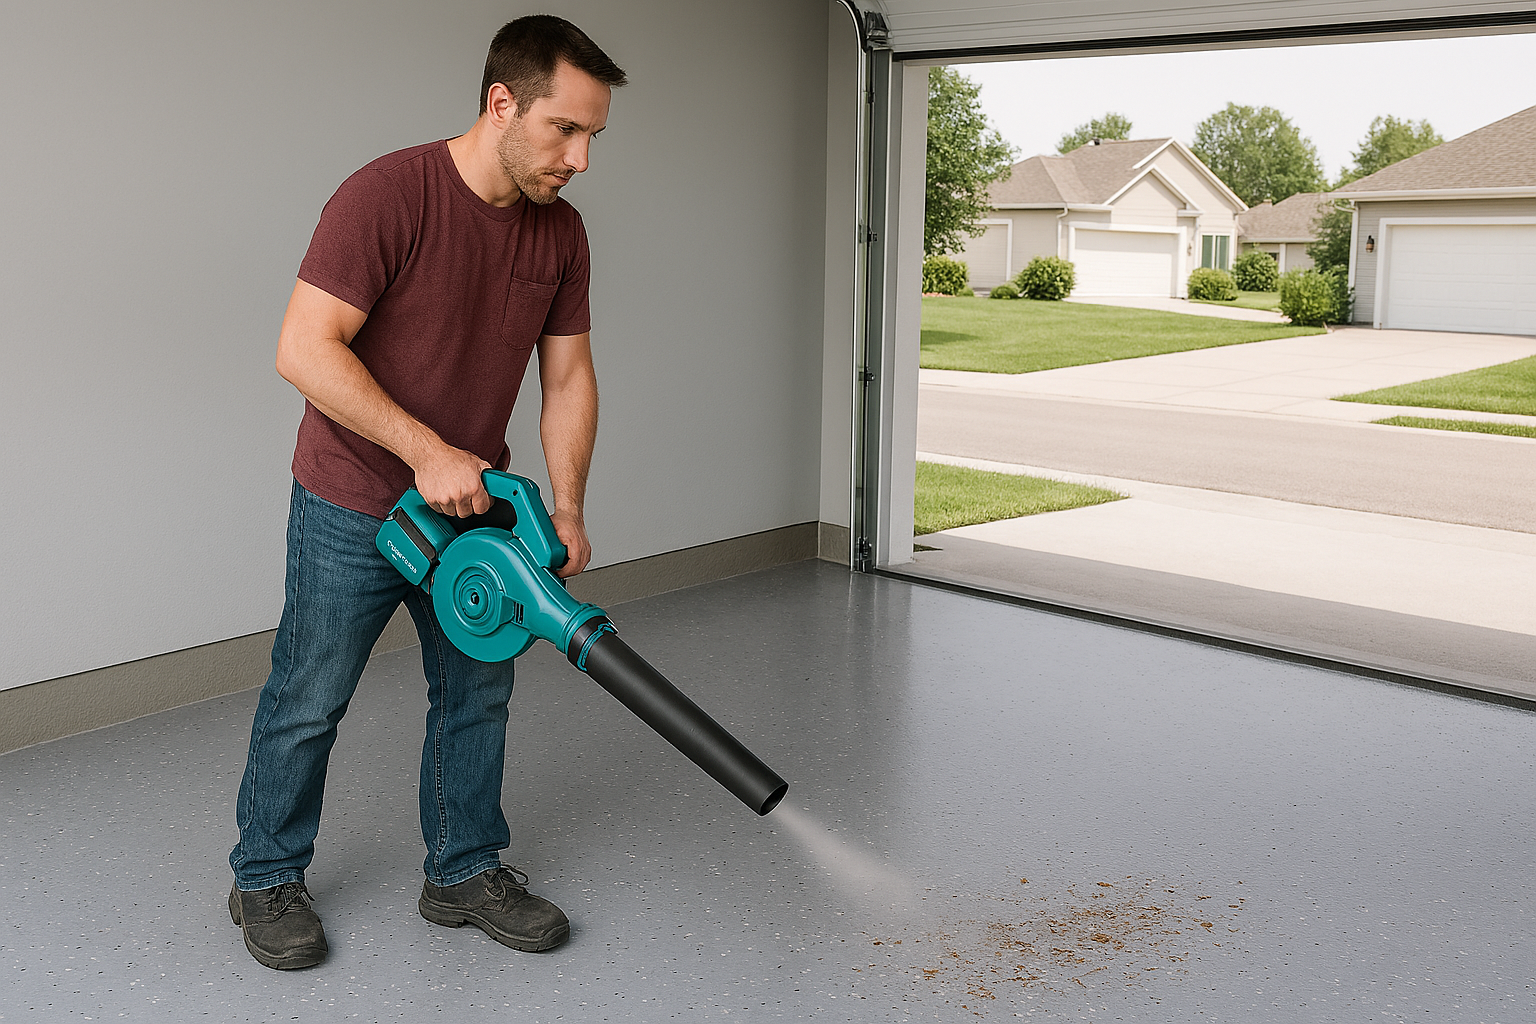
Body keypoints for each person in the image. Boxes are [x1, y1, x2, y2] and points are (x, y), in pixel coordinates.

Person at [227, 15, 626, 971]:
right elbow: (301, 349)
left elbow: (568, 378)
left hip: (473, 517)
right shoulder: (388, 195)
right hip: (351, 498)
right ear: (503, 104)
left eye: (592, 138)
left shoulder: (561, 235)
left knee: (476, 696)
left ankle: (462, 870)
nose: (580, 159)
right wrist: (424, 451)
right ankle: (265, 874)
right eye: (565, 131)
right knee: (309, 695)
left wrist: (565, 507)